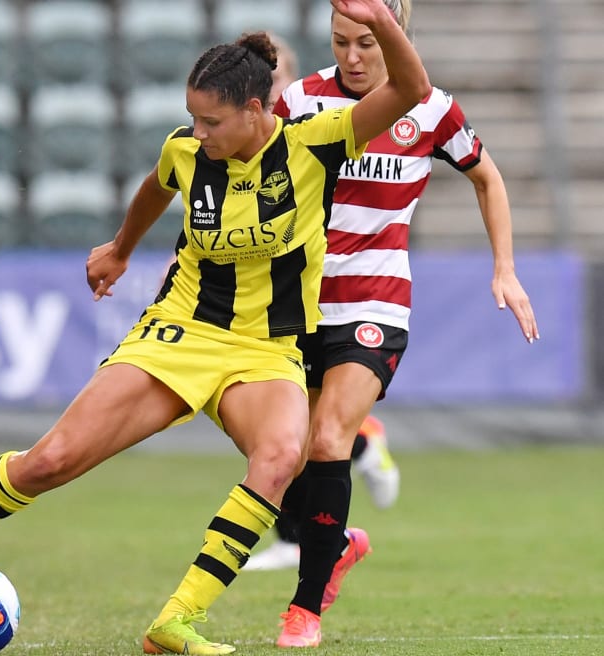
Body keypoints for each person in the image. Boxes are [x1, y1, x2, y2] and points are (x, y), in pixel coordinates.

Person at [0, 1, 431, 653]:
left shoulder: (317, 143)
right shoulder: (187, 152)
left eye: (212, 120)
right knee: (47, 462)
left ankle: (176, 621)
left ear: (258, 112)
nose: (197, 131)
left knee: (281, 458)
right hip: (180, 335)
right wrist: (119, 249)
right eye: (193, 116)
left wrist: (383, 23)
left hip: (267, 352)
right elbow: (155, 186)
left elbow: (412, 90)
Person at [264, 0, 540, 648]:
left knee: (332, 437)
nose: (353, 58)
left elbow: (488, 179)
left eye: (366, 43)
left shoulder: (431, 109)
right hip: (300, 307)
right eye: (340, 43)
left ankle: (303, 611)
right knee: (285, 460)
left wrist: (505, 268)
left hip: (376, 306)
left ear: (395, 34)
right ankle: (339, 545)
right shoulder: (300, 101)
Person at [244, 32, 402, 576]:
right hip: (289, 291)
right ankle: (360, 451)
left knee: (303, 435)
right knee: (286, 433)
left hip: (344, 295)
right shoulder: (280, 118)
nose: (272, 90)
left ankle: (305, 543)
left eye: (277, 77)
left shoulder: (316, 113)